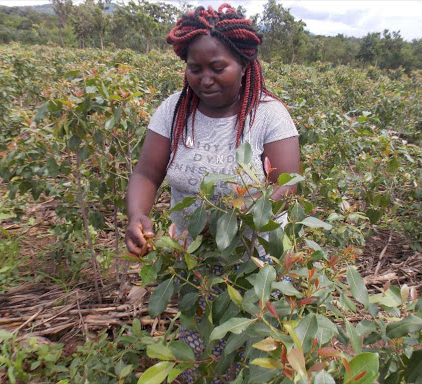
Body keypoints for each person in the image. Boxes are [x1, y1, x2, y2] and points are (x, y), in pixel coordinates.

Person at [125, 4, 300, 382]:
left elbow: (286, 189)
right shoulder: (174, 110)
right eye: (195, 68)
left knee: (255, 356)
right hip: (192, 266)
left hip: (255, 268)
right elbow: (146, 172)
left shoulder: (268, 116)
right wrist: (138, 214)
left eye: (217, 68)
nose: (204, 79)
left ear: (244, 63)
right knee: (202, 351)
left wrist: (226, 221)